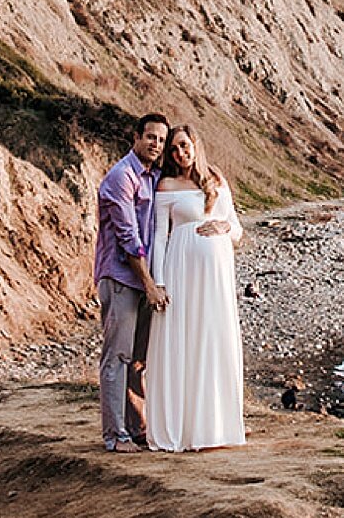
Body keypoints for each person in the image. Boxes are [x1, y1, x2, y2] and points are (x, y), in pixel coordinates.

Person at [144, 124, 246, 451]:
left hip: (216, 275)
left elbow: (238, 230)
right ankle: (182, 428)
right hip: (181, 271)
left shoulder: (217, 179)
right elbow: (160, 237)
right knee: (182, 340)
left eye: (184, 146)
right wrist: (157, 282)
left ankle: (214, 427)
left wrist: (224, 225)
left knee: (213, 338)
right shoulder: (167, 185)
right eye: (173, 149)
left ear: (195, 145)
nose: (180, 153)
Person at [95, 112, 168, 452]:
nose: (156, 144)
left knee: (138, 360)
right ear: (136, 137)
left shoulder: (152, 177)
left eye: (161, 140)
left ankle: (136, 427)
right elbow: (129, 239)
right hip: (122, 278)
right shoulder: (120, 177)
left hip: (143, 281)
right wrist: (150, 284)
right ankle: (115, 436)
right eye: (151, 137)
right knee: (118, 357)